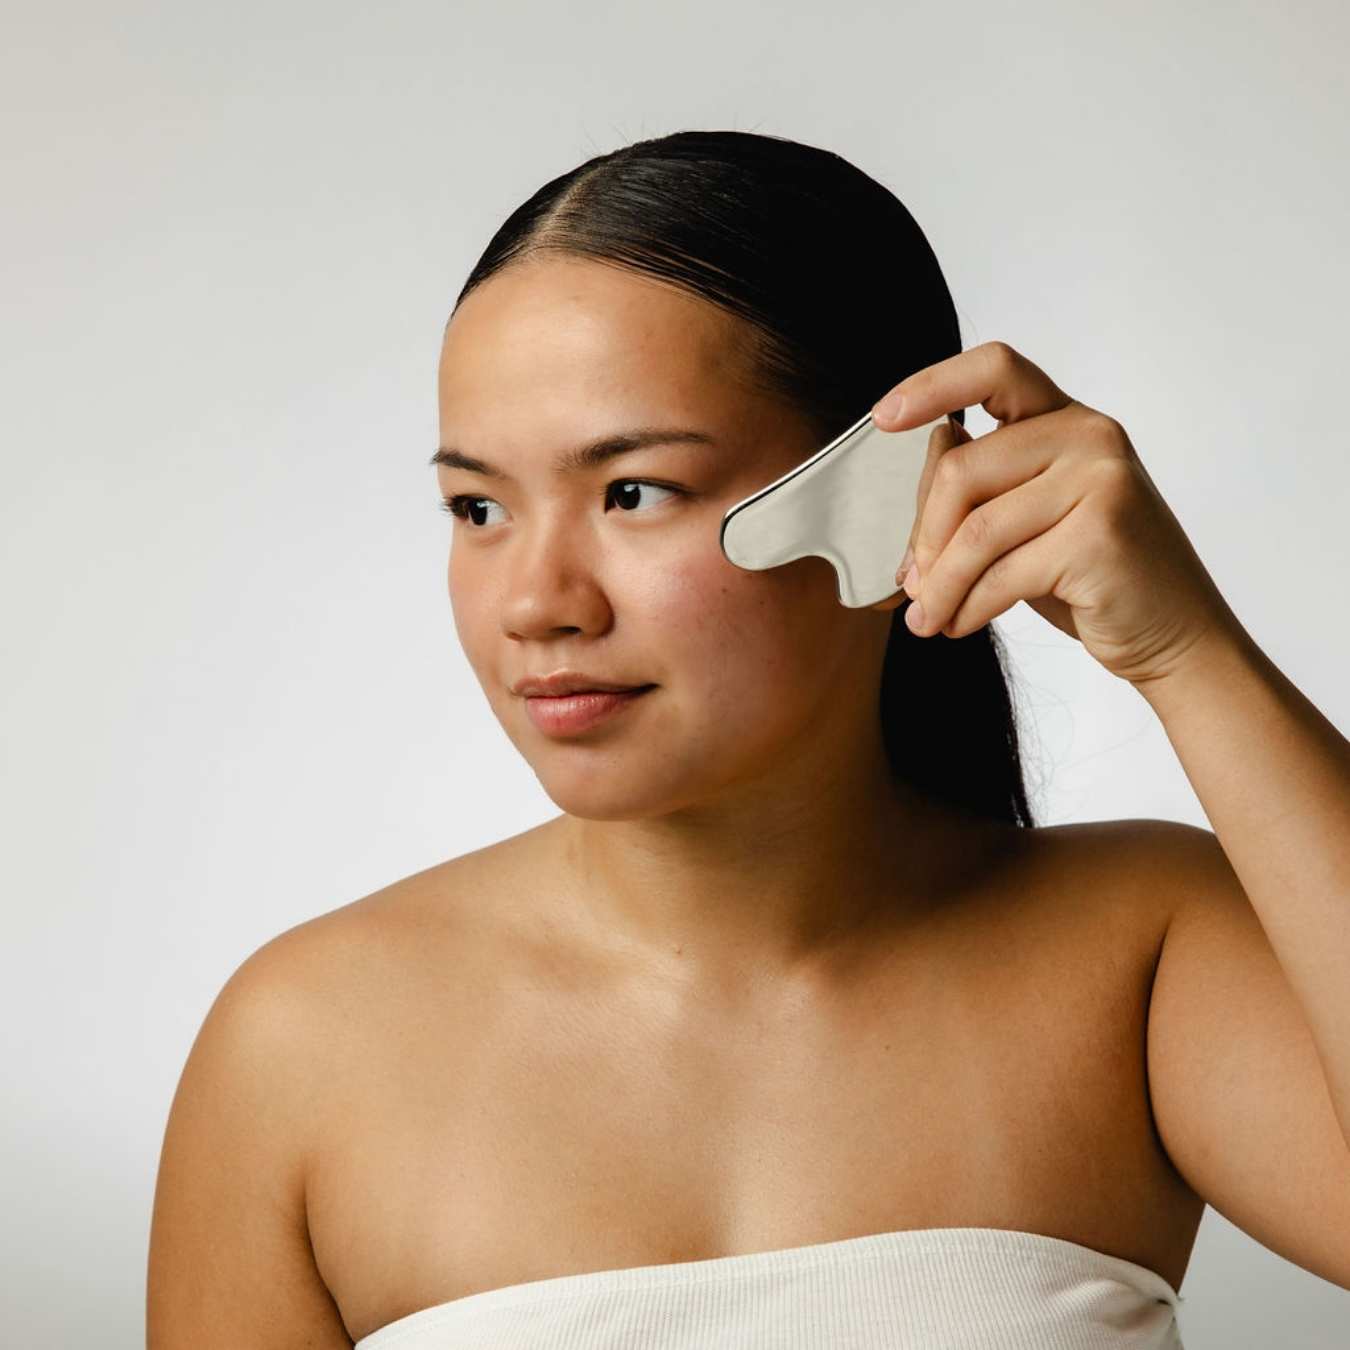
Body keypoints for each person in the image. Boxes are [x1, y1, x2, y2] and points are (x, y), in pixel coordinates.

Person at [146, 130, 1350, 1349]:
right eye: (479, 508)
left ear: (887, 499)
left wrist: (1187, 654)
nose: (535, 601)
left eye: (634, 492)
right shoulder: (300, 1048)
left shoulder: (1141, 953)